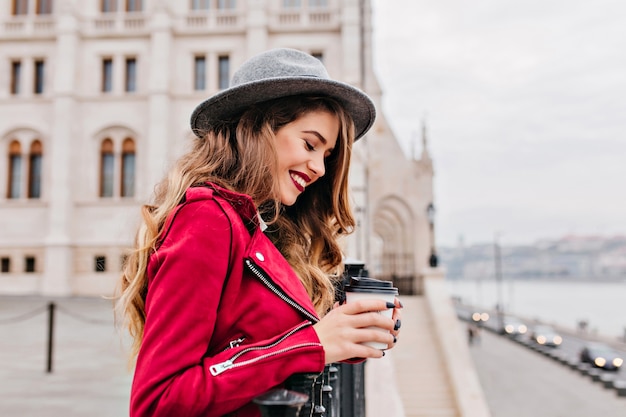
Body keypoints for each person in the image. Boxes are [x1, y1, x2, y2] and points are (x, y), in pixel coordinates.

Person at [115, 48, 402, 417]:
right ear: (258, 129)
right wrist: (311, 345)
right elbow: (159, 402)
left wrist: (346, 330)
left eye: (327, 156)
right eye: (310, 144)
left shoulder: (258, 229)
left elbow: (251, 343)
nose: (318, 168)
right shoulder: (207, 219)